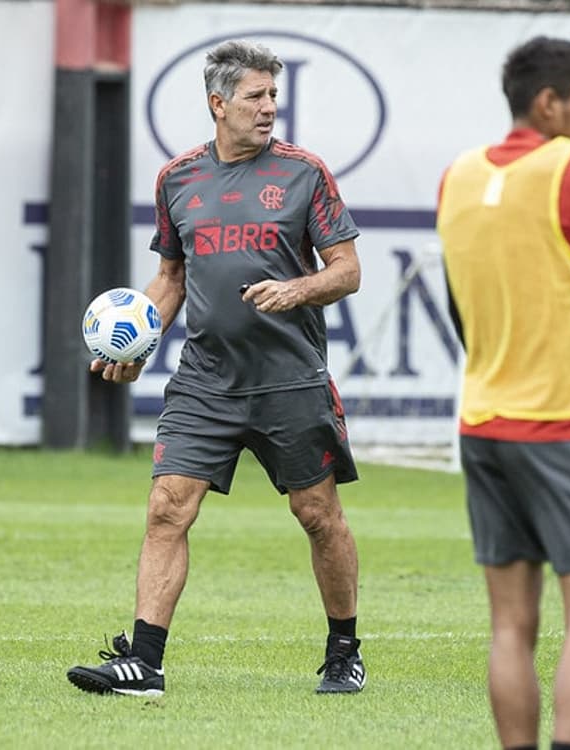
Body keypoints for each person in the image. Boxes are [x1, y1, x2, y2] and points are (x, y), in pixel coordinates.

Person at [66, 39, 367, 697]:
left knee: (318, 515)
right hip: (205, 380)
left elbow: (348, 271)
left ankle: (344, 648)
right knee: (167, 507)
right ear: (217, 103)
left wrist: (296, 289)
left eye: (273, 97)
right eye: (256, 97)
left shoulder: (304, 173)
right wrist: (135, 344)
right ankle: (145, 662)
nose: (268, 109)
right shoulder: (178, 179)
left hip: (290, 377)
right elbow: (171, 278)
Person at [436, 36, 570, 750]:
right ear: (549, 103)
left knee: (510, 625)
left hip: (482, 422)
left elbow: (459, 305)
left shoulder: (456, 175)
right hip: (561, 425)